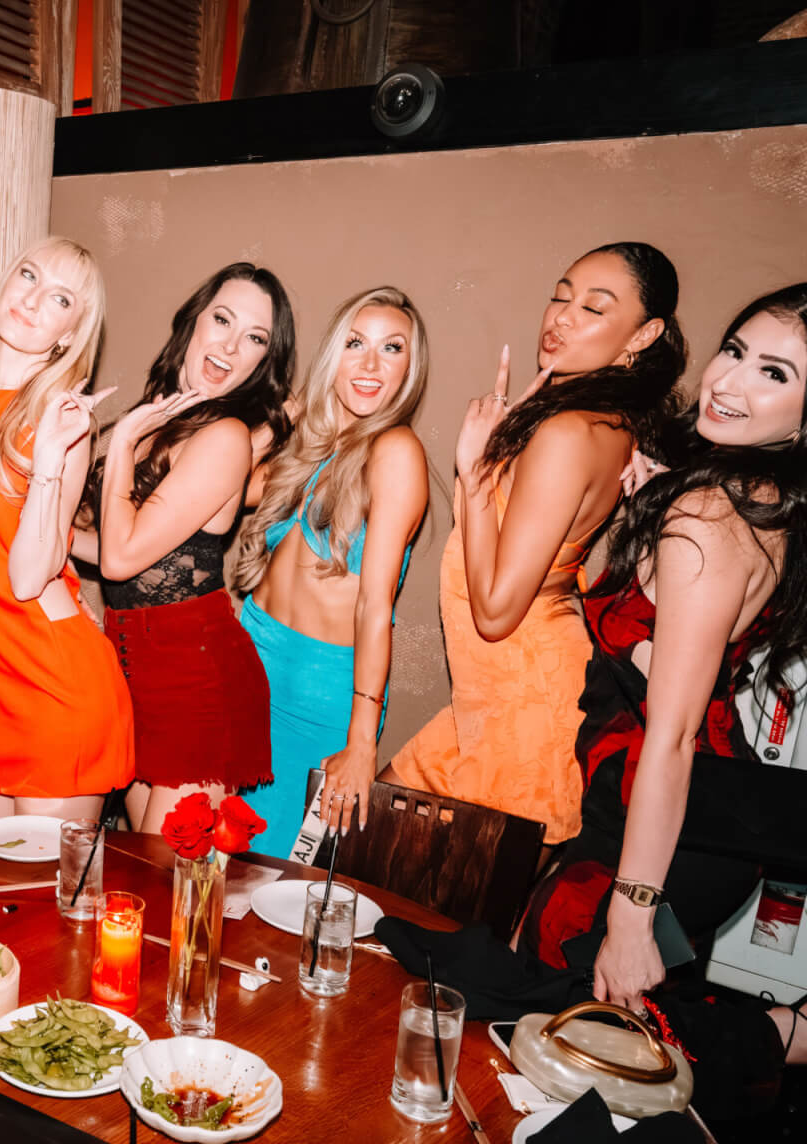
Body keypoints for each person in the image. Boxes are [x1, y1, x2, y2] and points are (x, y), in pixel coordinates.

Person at [520, 281, 807, 1017]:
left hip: (659, 823)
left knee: (553, 1018)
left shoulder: (709, 517)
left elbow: (673, 735)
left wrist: (633, 915)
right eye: (734, 350)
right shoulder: (761, 501)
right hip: (676, 814)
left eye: (774, 373)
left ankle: (798, 1035)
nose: (727, 382)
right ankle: (803, 1032)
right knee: (597, 1026)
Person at [388, 243, 685, 845]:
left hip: (526, 711)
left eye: (594, 308)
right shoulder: (595, 419)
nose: (562, 317)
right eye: (559, 297)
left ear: (643, 334)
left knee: (373, 875)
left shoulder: (570, 431)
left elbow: (496, 613)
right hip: (494, 703)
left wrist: (475, 473)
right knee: (357, 864)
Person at [0, 238, 131, 827]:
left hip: (53, 686)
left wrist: (50, 458)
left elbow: (28, 576)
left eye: (60, 299)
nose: (33, 299)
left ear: (71, 333)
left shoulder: (61, 424)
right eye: (29, 276)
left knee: (42, 889)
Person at [93, 262, 297, 833]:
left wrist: (124, 439)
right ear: (194, 321)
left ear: (263, 362)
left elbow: (118, 558)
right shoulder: (172, 420)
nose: (231, 345)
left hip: (197, 683)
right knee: (143, 867)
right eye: (222, 320)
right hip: (138, 674)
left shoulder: (225, 436)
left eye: (255, 338)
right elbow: (124, 545)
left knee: (168, 875)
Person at [228, 287, 431, 857]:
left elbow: (375, 605)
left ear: (410, 369)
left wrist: (362, 740)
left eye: (392, 348)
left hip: (316, 696)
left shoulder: (395, 450)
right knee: (211, 859)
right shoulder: (311, 446)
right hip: (247, 664)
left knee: (275, 873)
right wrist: (291, 414)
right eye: (354, 343)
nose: (370, 364)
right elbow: (223, 480)